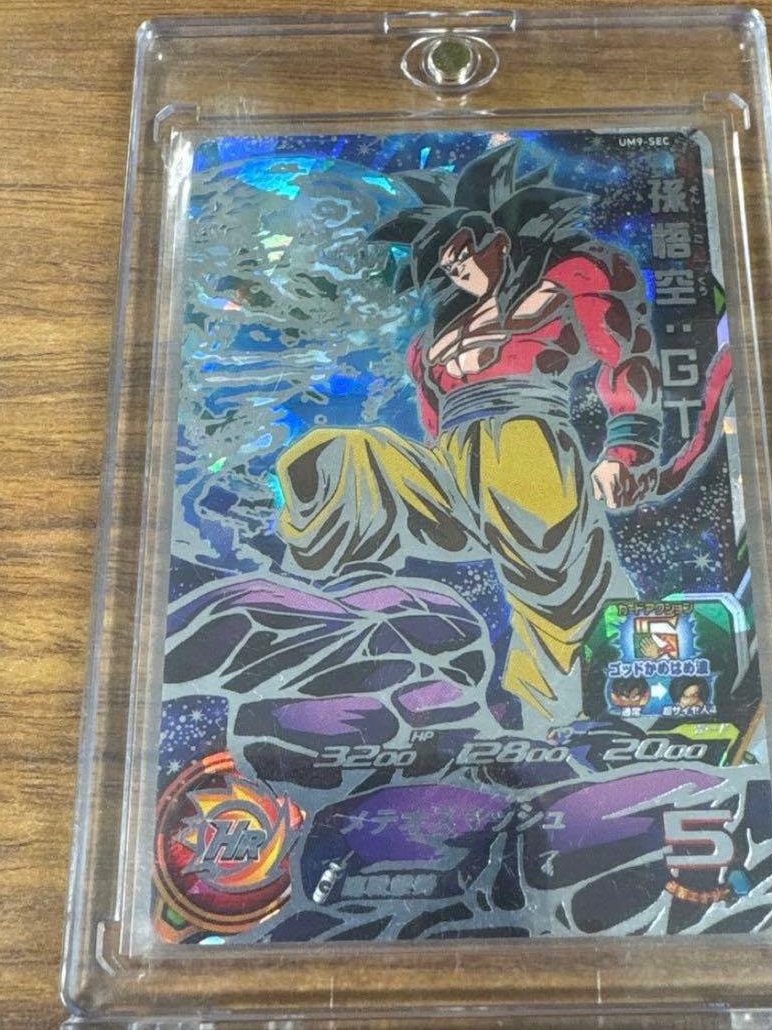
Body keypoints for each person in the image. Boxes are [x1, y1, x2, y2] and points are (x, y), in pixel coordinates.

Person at [276, 141, 662, 724]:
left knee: (557, 594)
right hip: (452, 464)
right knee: (341, 455)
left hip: (526, 445)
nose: (456, 269)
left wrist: (628, 447)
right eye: (446, 262)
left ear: (498, 240)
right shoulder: (437, 335)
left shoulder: (569, 278)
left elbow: (625, 354)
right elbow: (433, 419)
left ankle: (575, 717)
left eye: (463, 253)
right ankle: (340, 592)